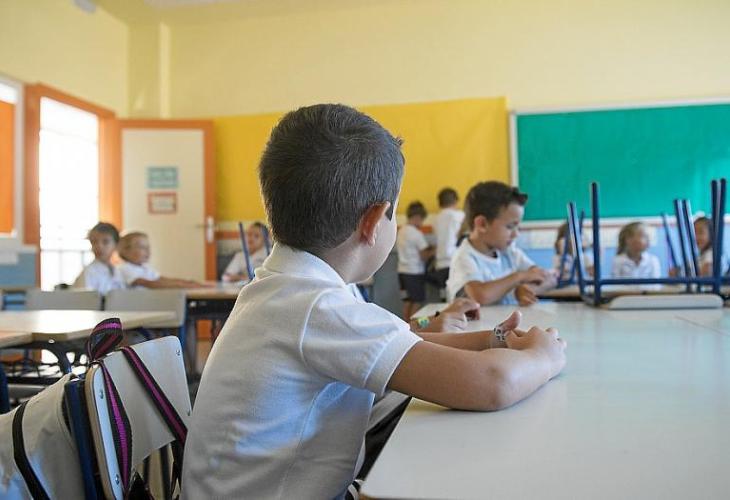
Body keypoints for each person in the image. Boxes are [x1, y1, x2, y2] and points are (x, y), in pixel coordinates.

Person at [182, 104, 566, 499]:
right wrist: (545, 356)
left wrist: (492, 340)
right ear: (373, 221)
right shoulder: (316, 307)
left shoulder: (290, 285)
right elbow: (493, 384)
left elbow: (408, 341)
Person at [447, 181, 556, 306]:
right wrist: (519, 277)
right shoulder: (464, 257)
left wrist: (525, 289)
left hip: (506, 318)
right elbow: (480, 295)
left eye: (517, 227)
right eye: (510, 226)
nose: (516, 234)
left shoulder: (510, 253)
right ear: (482, 224)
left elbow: (550, 279)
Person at [117, 232, 204, 288]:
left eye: (148, 247)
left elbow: (161, 279)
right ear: (125, 251)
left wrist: (187, 282)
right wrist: (180, 285)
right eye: (142, 247)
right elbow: (150, 284)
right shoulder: (125, 268)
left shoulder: (145, 268)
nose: (148, 250)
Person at [396, 201, 434, 319]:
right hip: (414, 273)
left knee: (407, 301)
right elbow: (424, 255)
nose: (421, 223)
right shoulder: (416, 233)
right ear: (417, 217)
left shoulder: (401, 231)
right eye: (422, 220)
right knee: (417, 301)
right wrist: (436, 250)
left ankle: (406, 325)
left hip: (402, 272)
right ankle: (413, 327)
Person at [72, 222, 125, 294]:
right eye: (94, 242)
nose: (99, 246)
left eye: (105, 242)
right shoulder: (89, 272)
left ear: (116, 245)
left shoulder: (118, 271)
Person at [433, 187, 464, 288]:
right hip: (456, 262)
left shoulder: (436, 219)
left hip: (440, 264)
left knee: (444, 294)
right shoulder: (459, 216)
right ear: (455, 200)